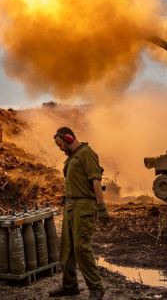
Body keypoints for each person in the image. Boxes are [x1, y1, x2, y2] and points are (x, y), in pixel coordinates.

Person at [49, 127, 109, 300]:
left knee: (81, 248)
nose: (60, 148)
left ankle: (96, 288)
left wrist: (101, 207)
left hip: (84, 206)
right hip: (71, 206)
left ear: (68, 139)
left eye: (60, 144)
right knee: (66, 249)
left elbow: (96, 181)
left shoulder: (87, 154)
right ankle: (70, 286)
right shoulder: (72, 157)